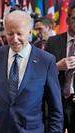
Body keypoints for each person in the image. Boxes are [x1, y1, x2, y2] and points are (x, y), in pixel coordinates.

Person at [0, 10, 63, 133]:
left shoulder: (46, 61)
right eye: (10, 34)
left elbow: (55, 109)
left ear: (30, 32)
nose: (15, 39)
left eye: (20, 33)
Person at [45, 5, 75, 133]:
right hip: (56, 101)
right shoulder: (53, 42)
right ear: (67, 20)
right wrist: (57, 66)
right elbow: (40, 70)